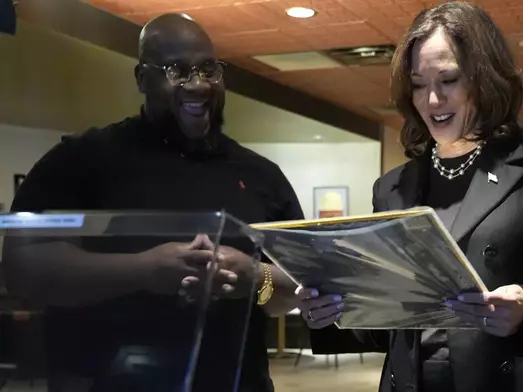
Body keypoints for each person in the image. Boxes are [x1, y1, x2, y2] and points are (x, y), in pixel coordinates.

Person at [2, 13, 331, 392]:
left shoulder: (262, 175)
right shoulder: (84, 159)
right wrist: (143, 270)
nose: (198, 84)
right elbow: (23, 268)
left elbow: (301, 284)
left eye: (209, 69)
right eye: (177, 70)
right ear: (143, 78)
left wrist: (256, 278)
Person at [297, 2, 523, 392]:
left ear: (484, 78)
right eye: (418, 84)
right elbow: (388, 327)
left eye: (447, 80)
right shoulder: (393, 186)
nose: (432, 100)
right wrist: (334, 310)